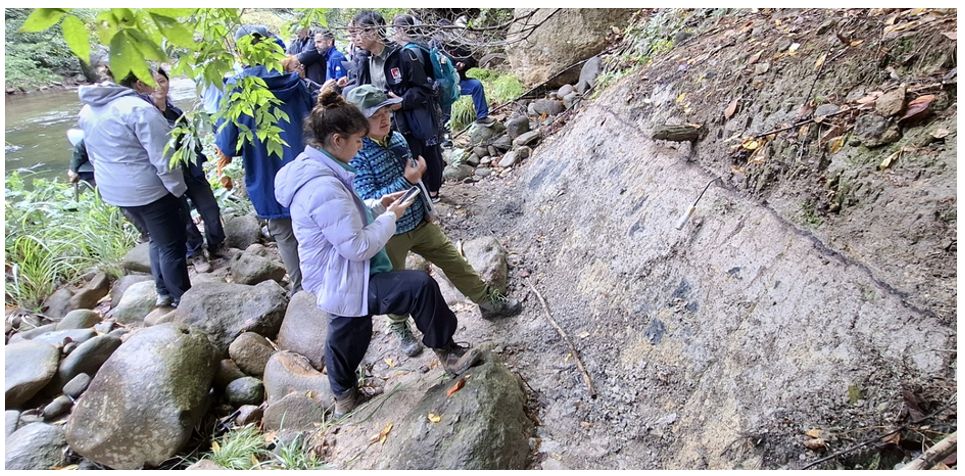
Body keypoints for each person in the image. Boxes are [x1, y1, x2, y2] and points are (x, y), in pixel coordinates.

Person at [273, 86, 483, 417]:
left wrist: (376, 206)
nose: (360, 146)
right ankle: (449, 354)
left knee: (350, 330)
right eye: (358, 140)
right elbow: (357, 246)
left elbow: (346, 216)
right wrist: (389, 218)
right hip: (343, 275)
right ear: (337, 140)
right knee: (418, 288)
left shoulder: (320, 168)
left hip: (338, 273)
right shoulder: (322, 185)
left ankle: (344, 396)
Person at [346, 85, 522, 356]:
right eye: (375, 116)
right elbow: (369, 201)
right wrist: (406, 180)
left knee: (454, 261)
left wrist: (427, 208)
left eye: (386, 112)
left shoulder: (397, 139)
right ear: (359, 122)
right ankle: (400, 327)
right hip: (389, 233)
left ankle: (488, 302)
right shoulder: (358, 154)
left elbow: (416, 181)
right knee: (397, 284)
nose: (384, 119)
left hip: (419, 221)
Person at [215, 25, 315, 296]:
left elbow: (227, 144)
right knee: (317, 226)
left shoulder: (238, 88)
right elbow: (315, 122)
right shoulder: (293, 80)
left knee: (285, 234)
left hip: (267, 177)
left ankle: (302, 292)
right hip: (307, 171)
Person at [78, 69, 191, 307]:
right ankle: (182, 299)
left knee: (156, 239)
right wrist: (177, 188)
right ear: (139, 83)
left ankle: (163, 292)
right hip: (149, 190)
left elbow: (92, 153)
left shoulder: (88, 110)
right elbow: (164, 158)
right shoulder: (140, 110)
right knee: (172, 245)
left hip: (115, 190)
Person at [347, 11, 446, 203]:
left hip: (410, 122)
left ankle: (429, 198)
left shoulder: (402, 55)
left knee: (421, 161)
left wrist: (402, 101)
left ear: (374, 31)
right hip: (385, 127)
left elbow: (425, 89)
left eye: (359, 32)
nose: (356, 37)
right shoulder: (366, 60)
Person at [146, 67, 227, 270]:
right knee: (184, 217)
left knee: (210, 209)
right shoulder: (144, 115)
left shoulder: (175, 112)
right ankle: (196, 253)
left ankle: (217, 245)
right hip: (167, 175)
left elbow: (193, 140)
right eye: (153, 82)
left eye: (162, 81)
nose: (159, 87)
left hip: (191, 171)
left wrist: (199, 162)